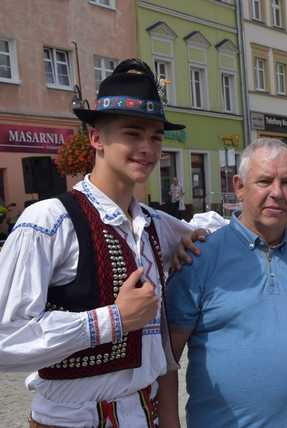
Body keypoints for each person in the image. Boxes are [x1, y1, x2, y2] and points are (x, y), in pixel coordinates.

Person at [0, 59, 220, 427]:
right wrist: (113, 320)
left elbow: (219, 233)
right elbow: (6, 337)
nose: (147, 148)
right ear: (96, 138)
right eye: (133, 134)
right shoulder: (49, 221)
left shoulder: (154, 225)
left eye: (155, 137)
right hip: (70, 420)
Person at [159, 139, 287, 428]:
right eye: (264, 181)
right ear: (239, 186)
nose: (277, 192)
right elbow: (165, 361)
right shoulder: (199, 258)